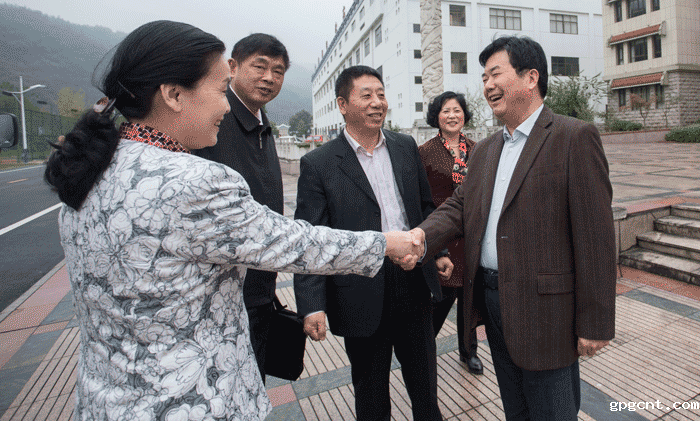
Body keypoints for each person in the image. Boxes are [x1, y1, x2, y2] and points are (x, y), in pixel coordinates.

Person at [43, 21, 423, 421]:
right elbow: (293, 243)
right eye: (220, 90)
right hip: (190, 399)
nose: (226, 107)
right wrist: (387, 243)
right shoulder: (194, 181)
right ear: (173, 95)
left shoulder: (88, 172)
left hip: (106, 401)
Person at [414, 36, 616, 420]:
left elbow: (596, 238)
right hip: (492, 301)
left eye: (496, 74)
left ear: (531, 77)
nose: (487, 85)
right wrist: (420, 238)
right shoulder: (487, 149)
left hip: (547, 310)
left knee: (552, 410)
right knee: (515, 408)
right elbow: (459, 206)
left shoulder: (573, 137)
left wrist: (596, 322)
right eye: (484, 77)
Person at [293, 65, 448, 421]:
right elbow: (310, 238)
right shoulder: (319, 164)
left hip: (412, 278)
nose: (377, 102)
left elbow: (425, 207)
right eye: (366, 96)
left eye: (381, 94)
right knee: (371, 389)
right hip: (359, 289)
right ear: (343, 105)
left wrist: (435, 250)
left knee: (425, 381)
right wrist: (311, 304)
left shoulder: (405, 146)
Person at [192, 33, 287, 383]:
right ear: (232, 66)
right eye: (259, 67)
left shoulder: (262, 124)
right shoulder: (212, 123)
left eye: (278, 71)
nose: (269, 78)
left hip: (259, 286)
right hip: (220, 296)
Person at [418, 91, 483, 375]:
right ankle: (422, 350)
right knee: (439, 300)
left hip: (471, 239)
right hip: (443, 238)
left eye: (457, 110)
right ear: (437, 117)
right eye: (446, 111)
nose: (452, 116)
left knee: (469, 299)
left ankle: (469, 351)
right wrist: (434, 247)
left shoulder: (478, 149)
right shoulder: (425, 152)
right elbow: (421, 200)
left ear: (464, 115)